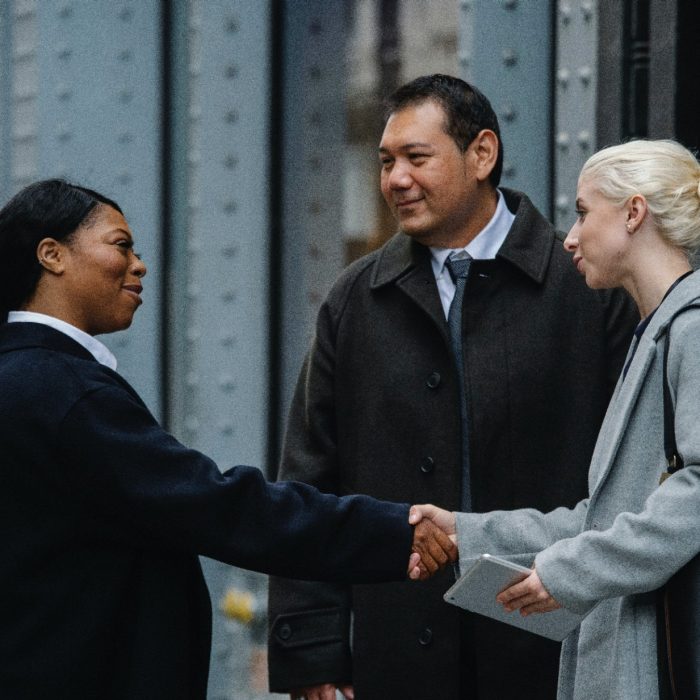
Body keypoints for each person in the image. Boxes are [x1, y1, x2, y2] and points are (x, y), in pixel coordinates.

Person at [0, 179, 456, 700]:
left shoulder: (23, 380)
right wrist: (395, 532)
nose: (138, 264)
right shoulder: (65, 393)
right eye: (120, 246)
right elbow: (217, 503)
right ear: (52, 255)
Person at [267, 74, 638, 699]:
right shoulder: (353, 301)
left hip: (557, 647)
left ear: (482, 155)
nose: (395, 180)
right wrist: (314, 653)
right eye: (386, 162)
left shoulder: (589, 288)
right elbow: (310, 480)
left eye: (416, 157)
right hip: (397, 652)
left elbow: (634, 480)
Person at [413, 138, 700, 699]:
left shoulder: (690, 329)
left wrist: (571, 572)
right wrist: (467, 533)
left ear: (634, 213)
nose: (570, 236)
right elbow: (602, 518)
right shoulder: (658, 333)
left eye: (584, 212)